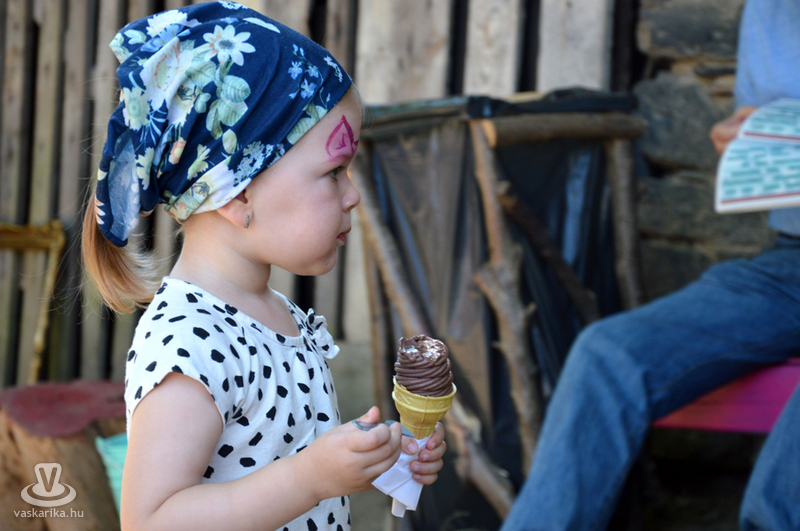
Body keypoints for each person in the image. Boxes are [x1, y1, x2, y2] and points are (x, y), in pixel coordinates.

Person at [81, 3, 446, 530]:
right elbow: (151, 519)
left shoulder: (278, 316)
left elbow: (271, 467)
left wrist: (372, 465)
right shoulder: (189, 340)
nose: (352, 196)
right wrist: (311, 478)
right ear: (236, 192)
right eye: (334, 172)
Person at [500, 0, 800, 529]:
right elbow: (763, 130)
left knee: (774, 503)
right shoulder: (769, 10)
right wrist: (742, 139)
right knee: (608, 354)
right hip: (790, 260)